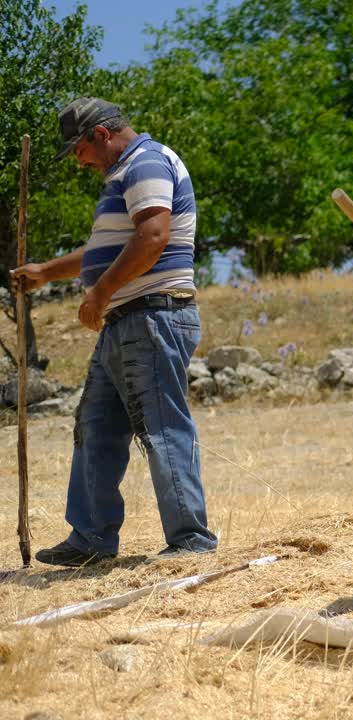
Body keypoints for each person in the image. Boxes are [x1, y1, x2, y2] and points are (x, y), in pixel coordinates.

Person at [10, 98, 216, 566]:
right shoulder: (125, 173)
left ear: (101, 134)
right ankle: (91, 539)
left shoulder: (146, 162)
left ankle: (191, 539)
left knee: (161, 426)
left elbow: (153, 237)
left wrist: (100, 293)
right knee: (96, 425)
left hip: (153, 315)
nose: (79, 162)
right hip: (129, 321)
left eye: (79, 150)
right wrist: (46, 272)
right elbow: (110, 248)